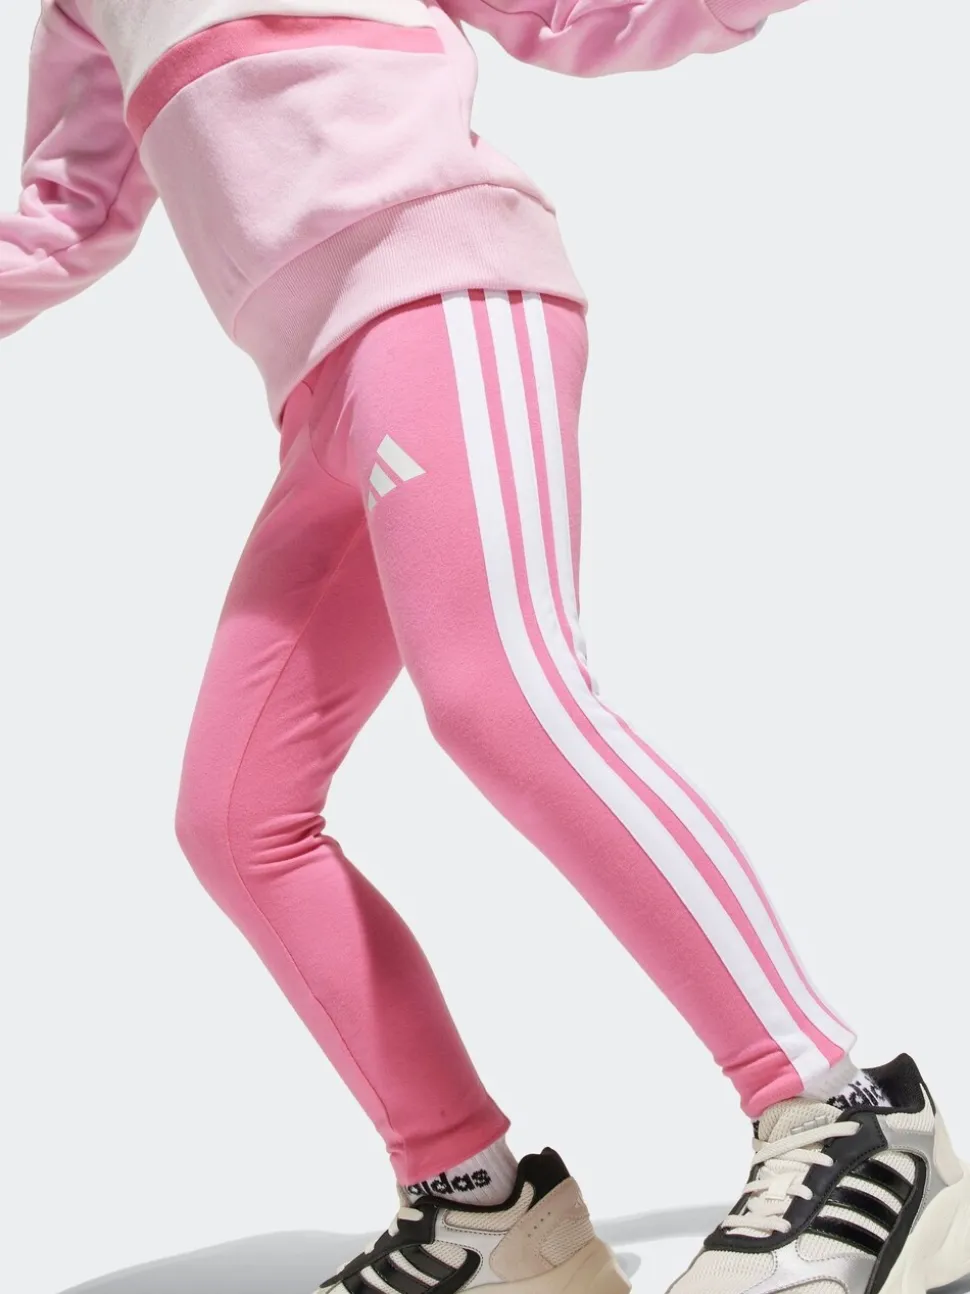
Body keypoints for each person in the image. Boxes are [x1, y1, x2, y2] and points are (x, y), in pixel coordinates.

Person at [3, 3, 968, 1294]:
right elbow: (65, 211)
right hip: (316, 393)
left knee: (504, 700)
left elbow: (574, 17)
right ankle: (481, 1206)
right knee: (235, 818)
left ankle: (847, 1113)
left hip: (441, 299)